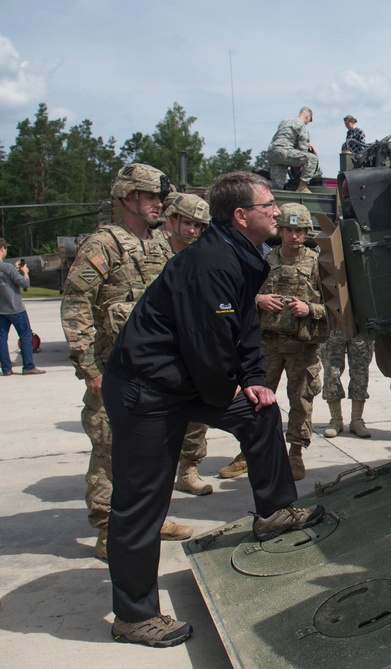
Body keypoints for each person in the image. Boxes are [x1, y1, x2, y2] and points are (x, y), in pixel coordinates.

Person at [101, 170, 325, 648]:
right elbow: (207, 348)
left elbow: (242, 328)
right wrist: (232, 389)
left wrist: (255, 382)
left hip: (187, 379)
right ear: (241, 215)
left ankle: (274, 512)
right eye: (268, 205)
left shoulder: (243, 256)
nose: (277, 212)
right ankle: (133, 616)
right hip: (147, 390)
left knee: (261, 413)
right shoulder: (212, 263)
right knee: (141, 502)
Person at [61, 164, 193, 561]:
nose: (159, 204)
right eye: (152, 197)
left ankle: (152, 518)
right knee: (109, 448)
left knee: (156, 449)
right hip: (113, 370)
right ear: (128, 198)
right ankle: (108, 530)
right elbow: (77, 305)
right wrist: (89, 369)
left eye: (159, 197)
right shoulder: (105, 244)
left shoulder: (158, 244)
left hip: (157, 371)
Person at [218, 202, 327, 481]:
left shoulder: (319, 264)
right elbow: (238, 296)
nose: (293, 236)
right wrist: (258, 300)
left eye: (299, 230)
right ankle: (249, 452)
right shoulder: (263, 260)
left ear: (306, 232)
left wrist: (310, 309)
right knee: (255, 401)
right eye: (289, 229)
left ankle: (295, 453)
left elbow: (337, 307)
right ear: (281, 230)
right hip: (266, 346)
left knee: (301, 402)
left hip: (302, 347)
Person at [156, 192, 214, 496]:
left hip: (192, 353)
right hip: (156, 356)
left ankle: (189, 469)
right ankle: (156, 486)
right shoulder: (151, 254)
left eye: (198, 226)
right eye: (188, 223)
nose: (192, 230)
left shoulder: (201, 259)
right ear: (172, 220)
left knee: (195, 418)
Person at [0, 239, 45, 375]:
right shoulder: (7, 268)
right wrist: (24, 272)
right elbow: (24, 283)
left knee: (2, 338)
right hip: (16, 308)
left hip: (1, 310)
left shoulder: (9, 269)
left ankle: (6, 368)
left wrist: (14, 270)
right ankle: (28, 366)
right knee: (25, 335)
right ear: (2, 248)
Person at [320, 330, 374, 439]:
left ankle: (356, 420)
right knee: (331, 373)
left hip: (359, 326)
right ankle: (336, 420)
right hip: (333, 325)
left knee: (360, 373)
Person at [267, 106, 319, 192]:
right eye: (308, 121)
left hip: (272, 153)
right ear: (307, 117)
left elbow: (283, 136)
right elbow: (303, 148)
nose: (307, 123)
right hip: (284, 152)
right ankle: (302, 187)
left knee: (277, 186)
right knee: (312, 159)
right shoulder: (301, 125)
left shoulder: (284, 121)